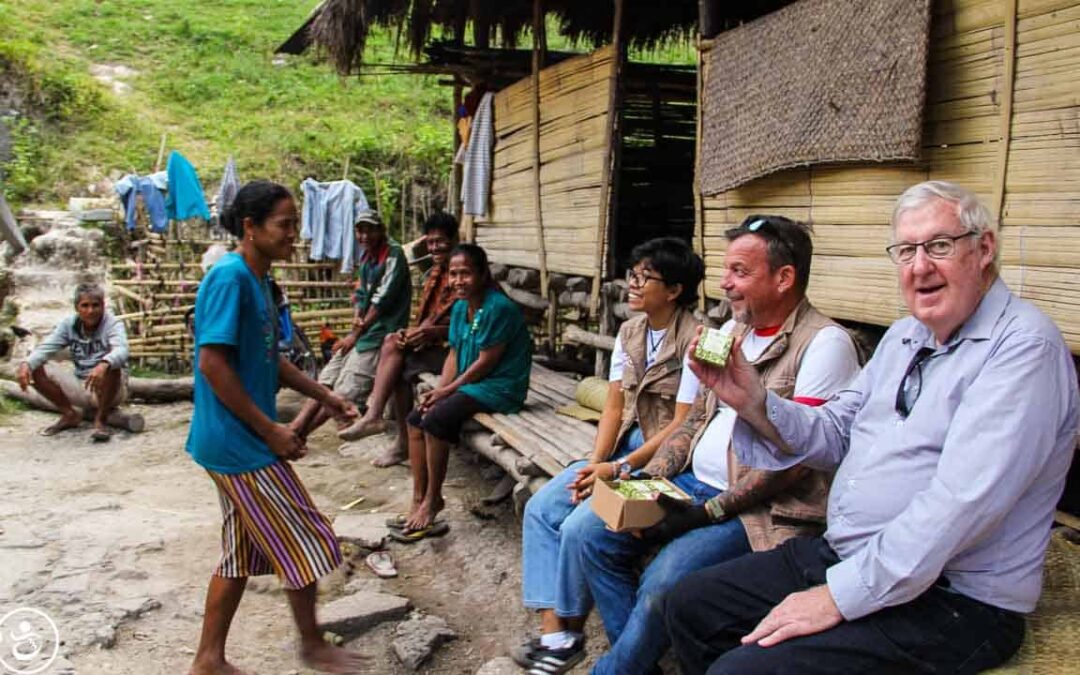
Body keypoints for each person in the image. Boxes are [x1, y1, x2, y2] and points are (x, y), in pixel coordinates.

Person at [663, 181, 1080, 675]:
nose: (920, 266)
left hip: (955, 598)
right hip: (848, 551)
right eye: (906, 251)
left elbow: (961, 505)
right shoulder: (906, 335)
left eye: (939, 246)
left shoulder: (1023, 348)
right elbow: (837, 428)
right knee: (690, 603)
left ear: (984, 248)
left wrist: (836, 598)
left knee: (743, 670)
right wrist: (755, 402)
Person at [581, 216, 862, 674]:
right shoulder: (728, 334)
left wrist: (704, 514)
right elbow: (695, 416)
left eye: (739, 272)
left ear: (784, 277)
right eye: (726, 271)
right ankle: (636, 663)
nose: (724, 285)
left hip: (758, 510)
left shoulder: (825, 344)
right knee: (590, 534)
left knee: (665, 579)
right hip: (691, 483)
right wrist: (651, 483)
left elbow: (796, 464)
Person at [185, 180, 366, 675]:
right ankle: (311, 645)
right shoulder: (229, 279)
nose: (294, 235)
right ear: (250, 227)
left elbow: (269, 358)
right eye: (284, 224)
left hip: (236, 442)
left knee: (241, 553)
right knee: (306, 541)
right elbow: (213, 366)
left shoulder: (261, 281)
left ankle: (208, 660)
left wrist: (324, 395)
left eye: (294, 224)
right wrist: (270, 431)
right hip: (237, 445)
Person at [514, 237, 705, 674]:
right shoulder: (630, 332)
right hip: (622, 449)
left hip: (664, 459)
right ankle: (556, 633)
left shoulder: (697, 339)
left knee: (584, 523)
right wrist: (593, 465)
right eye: (632, 274)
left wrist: (619, 469)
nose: (632, 285)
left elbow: (682, 425)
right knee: (544, 507)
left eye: (644, 277)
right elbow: (614, 405)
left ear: (674, 290)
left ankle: (604, 649)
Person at [394, 243, 532, 539]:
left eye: (465, 273)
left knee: (436, 420)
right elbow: (455, 355)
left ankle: (433, 500)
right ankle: (418, 498)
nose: (458, 280)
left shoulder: (499, 308)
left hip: (500, 386)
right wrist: (439, 389)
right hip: (471, 384)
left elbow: (486, 362)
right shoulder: (460, 308)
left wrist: (447, 392)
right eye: (453, 274)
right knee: (416, 417)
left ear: (483, 274)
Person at [337, 212, 460, 469]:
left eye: (441, 241)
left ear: (455, 239)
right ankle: (388, 427)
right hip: (440, 345)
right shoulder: (436, 272)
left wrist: (431, 333)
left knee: (396, 356)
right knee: (395, 344)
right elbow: (432, 317)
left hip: (459, 352)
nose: (435, 247)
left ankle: (385, 425)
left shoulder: (461, 271)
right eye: (431, 242)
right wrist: (420, 333)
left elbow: (469, 325)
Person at [290, 211, 410, 439]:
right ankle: (296, 428)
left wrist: (356, 332)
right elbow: (362, 294)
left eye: (370, 230)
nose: (364, 235)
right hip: (364, 332)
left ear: (381, 230)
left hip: (380, 335)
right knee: (324, 381)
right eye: (360, 230)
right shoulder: (367, 257)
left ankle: (299, 435)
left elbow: (381, 301)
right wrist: (356, 321)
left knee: (343, 392)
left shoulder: (393, 255)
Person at [17, 282, 130, 442]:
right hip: (81, 384)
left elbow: (122, 350)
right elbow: (46, 348)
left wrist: (104, 363)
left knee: (113, 366)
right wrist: (26, 364)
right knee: (34, 366)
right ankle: (69, 414)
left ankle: (101, 419)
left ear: (103, 306)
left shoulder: (113, 324)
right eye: (85, 306)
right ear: (77, 307)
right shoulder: (69, 325)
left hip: (111, 389)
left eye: (95, 305)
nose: (90, 311)